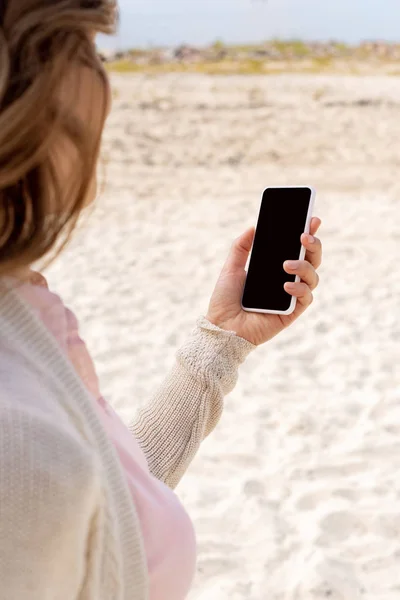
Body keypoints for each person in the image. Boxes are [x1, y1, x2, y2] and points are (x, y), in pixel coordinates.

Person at [0, 1, 322, 599]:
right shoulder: (17, 432)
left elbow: (107, 505)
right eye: (84, 49)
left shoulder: (22, 317)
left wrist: (221, 341)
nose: (105, 81)